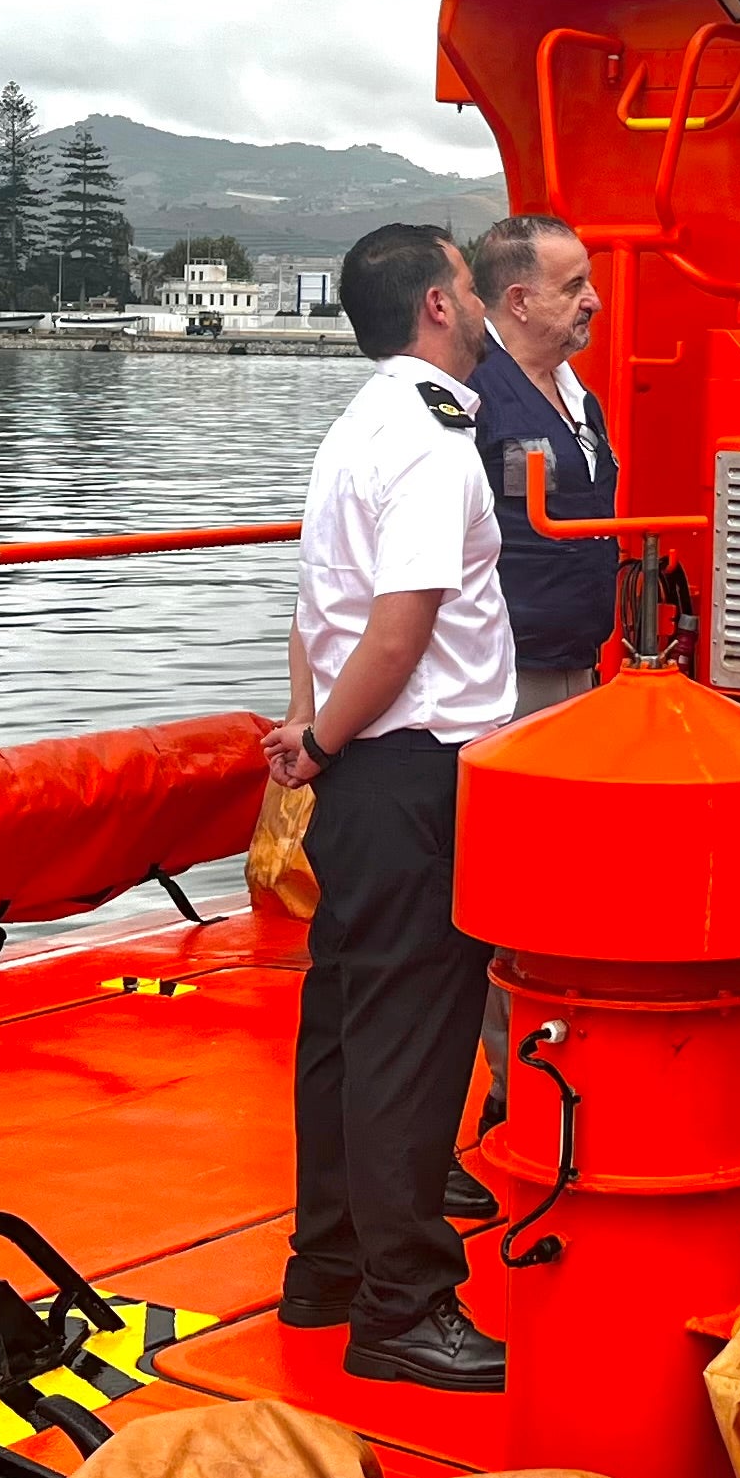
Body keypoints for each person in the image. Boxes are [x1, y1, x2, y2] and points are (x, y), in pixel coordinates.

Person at [272, 222, 519, 1393]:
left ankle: (326, 1267)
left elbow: (313, 609)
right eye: (471, 283)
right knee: (410, 1049)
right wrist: (322, 739)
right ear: (437, 304)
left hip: (365, 774)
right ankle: (404, 1307)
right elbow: (400, 626)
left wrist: (314, 733)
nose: (483, 301)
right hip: (417, 770)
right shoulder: (430, 444)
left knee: (344, 1028)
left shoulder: (358, 428)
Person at [465, 213, 615, 1127]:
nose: (593, 300)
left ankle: (552, 1063)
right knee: (508, 887)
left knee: (563, 883)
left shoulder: (576, 395)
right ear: (517, 300)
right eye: (574, 286)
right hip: (504, 679)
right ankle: (506, 1090)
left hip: (575, 673)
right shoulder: (477, 398)